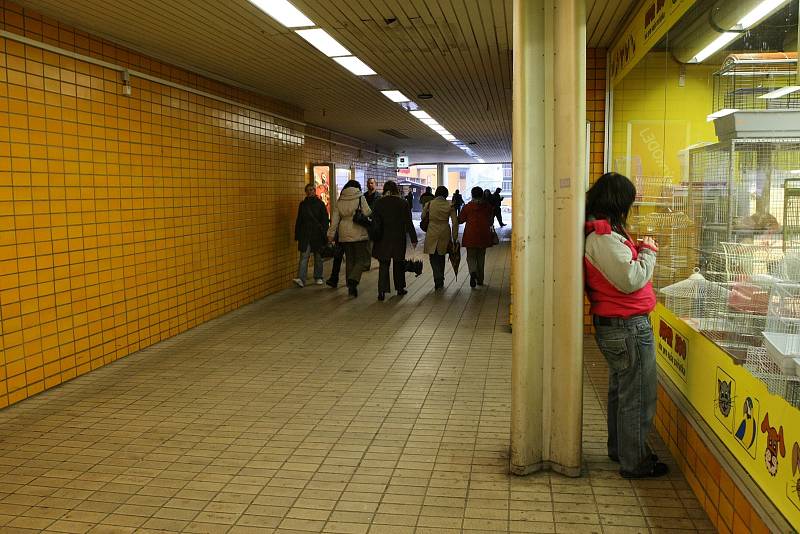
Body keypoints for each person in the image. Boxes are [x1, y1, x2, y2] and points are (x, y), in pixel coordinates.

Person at [584, 172, 667, 479]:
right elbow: (630, 279)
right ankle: (635, 462)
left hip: (621, 325)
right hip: (627, 327)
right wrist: (648, 252)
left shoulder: (602, 233)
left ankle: (622, 450)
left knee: (623, 392)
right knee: (638, 395)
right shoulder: (602, 238)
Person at [371, 181, 417, 300]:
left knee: (384, 265)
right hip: (398, 238)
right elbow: (408, 222)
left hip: (383, 238)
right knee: (398, 264)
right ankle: (400, 288)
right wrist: (414, 238)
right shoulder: (403, 203)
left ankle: (381, 291)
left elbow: (375, 222)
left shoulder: (379, 203)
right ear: (396, 190)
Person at [327, 180, 372, 297]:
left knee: (350, 260)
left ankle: (351, 287)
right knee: (361, 259)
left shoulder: (340, 199)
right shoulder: (360, 197)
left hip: (343, 233)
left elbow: (335, 220)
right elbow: (367, 212)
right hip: (358, 232)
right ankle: (353, 280)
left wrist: (331, 235)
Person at [292, 183, 328, 287]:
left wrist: (324, 232)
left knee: (318, 256)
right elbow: (299, 220)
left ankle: (318, 277)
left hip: (317, 234)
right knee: (304, 256)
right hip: (305, 234)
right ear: (306, 192)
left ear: (315, 191)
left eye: (312, 189)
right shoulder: (302, 204)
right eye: (308, 190)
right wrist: (297, 234)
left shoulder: (320, 204)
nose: (310, 191)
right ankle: (301, 279)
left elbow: (325, 219)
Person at [423, 185, 458, 290]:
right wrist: (454, 237)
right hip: (444, 232)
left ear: (436, 193)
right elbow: (455, 222)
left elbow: (422, 216)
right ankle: (440, 278)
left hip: (432, 231)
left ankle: (437, 278)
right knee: (441, 256)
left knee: (433, 257)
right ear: (446, 194)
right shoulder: (450, 205)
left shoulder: (429, 204)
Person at [458, 187, 494, 288]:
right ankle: (480, 280)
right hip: (483, 235)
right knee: (481, 257)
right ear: (482, 194)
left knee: (471, 256)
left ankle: (473, 272)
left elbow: (461, 220)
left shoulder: (468, 207)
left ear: (472, 194)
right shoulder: (487, 207)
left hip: (470, 235)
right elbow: (491, 221)